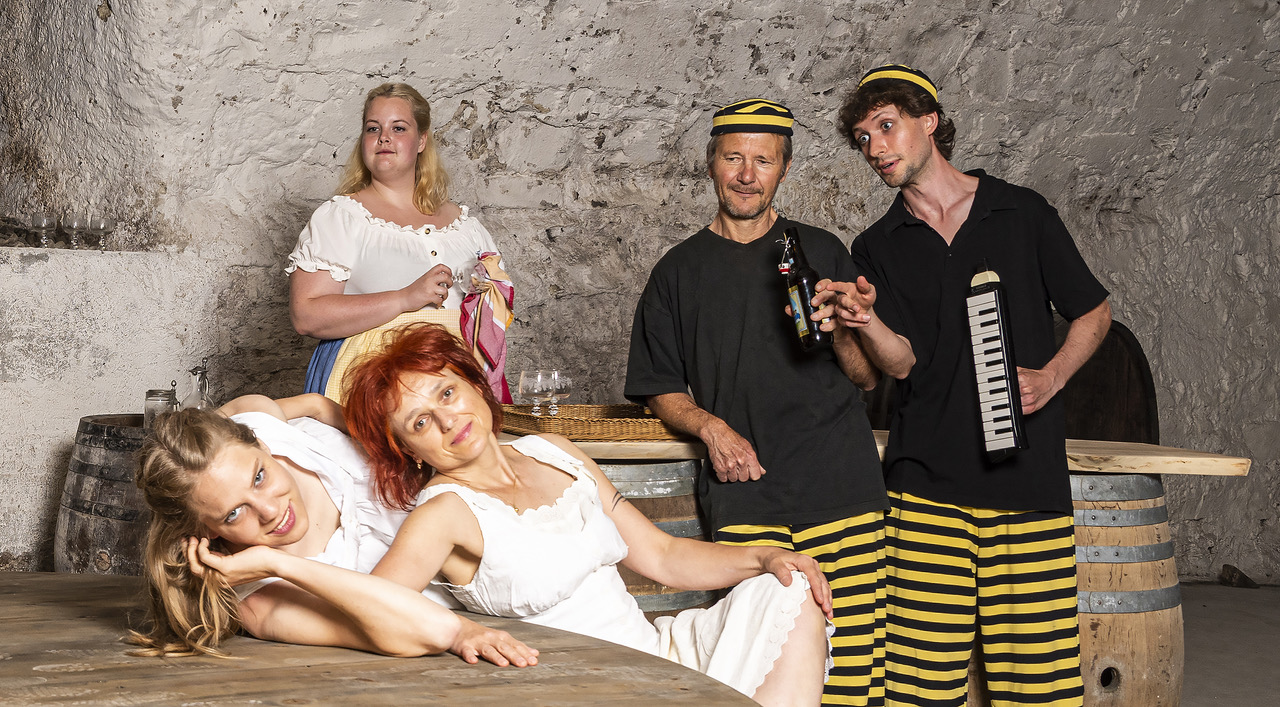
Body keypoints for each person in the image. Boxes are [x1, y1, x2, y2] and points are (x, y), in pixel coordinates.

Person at [344, 323, 834, 706]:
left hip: (657, 656)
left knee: (788, 587)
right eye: (420, 422)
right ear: (407, 450)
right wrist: (456, 634)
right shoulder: (444, 513)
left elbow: (662, 555)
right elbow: (372, 611)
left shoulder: (552, 450)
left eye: (446, 393)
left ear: (473, 383)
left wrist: (764, 557)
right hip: (586, 687)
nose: (447, 420)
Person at [835, 64, 1112, 706]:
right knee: (919, 689)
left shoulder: (1022, 212)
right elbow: (901, 364)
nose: (875, 148)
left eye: (886, 126)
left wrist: (1053, 375)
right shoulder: (875, 245)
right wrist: (865, 320)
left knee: (1040, 690)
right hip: (924, 487)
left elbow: (1094, 311)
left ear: (929, 121)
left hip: (1027, 485)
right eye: (863, 138)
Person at [624, 98, 914, 706]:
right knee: (758, 668)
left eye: (763, 160)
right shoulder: (676, 271)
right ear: (712, 163)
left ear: (783, 169)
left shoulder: (821, 251)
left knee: (851, 675)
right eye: (734, 158)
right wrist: (711, 428)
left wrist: (843, 329)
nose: (747, 174)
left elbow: (865, 378)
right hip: (745, 493)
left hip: (840, 485)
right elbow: (658, 385)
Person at [128, 392, 537, 668]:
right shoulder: (262, 602)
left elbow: (316, 404)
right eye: (234, 514)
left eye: (259, 477)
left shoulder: (257, 424)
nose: (271, 511)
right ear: (204, 531)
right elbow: (435, 630)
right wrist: (278, 564)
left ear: (262, 446)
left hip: (512, 488)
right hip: (513, 575)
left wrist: (392, 443)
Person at [287, 82, 513, 403]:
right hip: (375, 389)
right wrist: (404, 298)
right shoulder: (341, 218)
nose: (384, 137)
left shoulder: (468, 228)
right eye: (373, 128)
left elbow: (493, 320)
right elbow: (306, 315)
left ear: (421, 141)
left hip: (460, 388)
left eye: (398, 128)